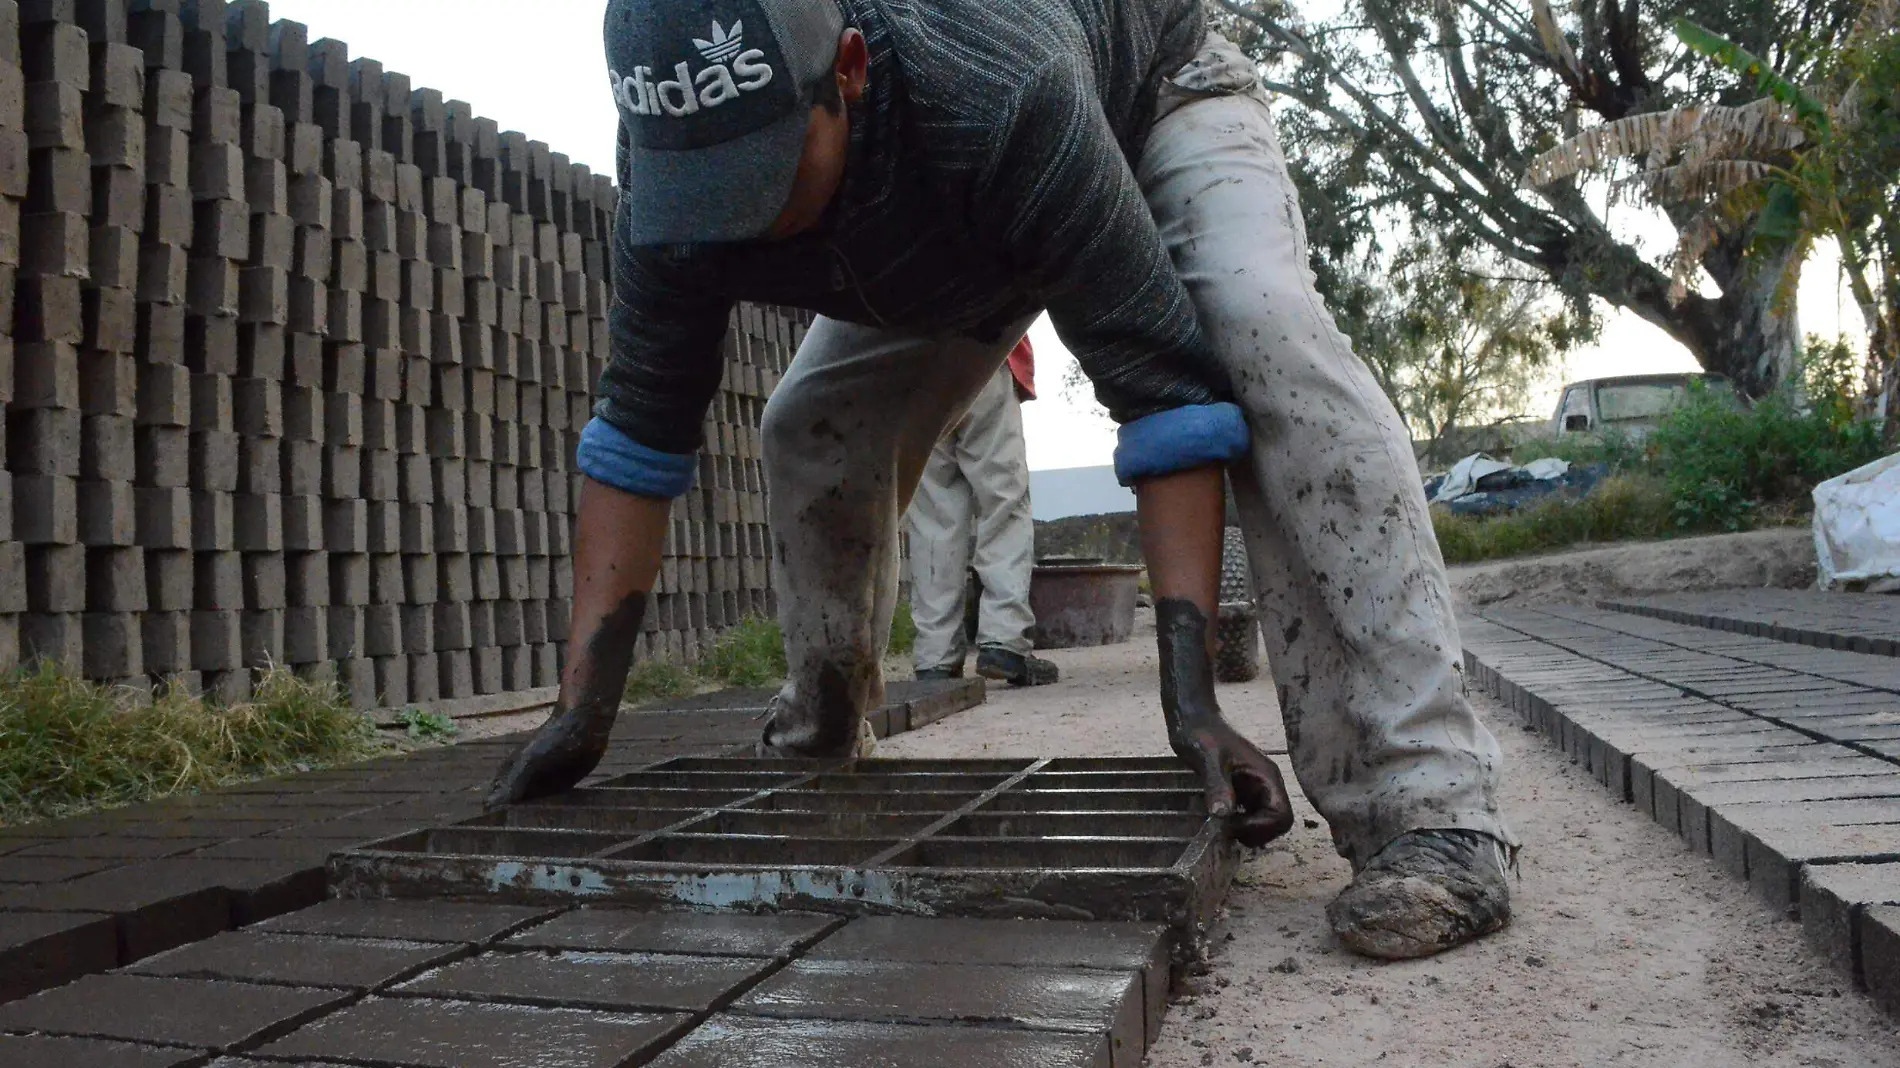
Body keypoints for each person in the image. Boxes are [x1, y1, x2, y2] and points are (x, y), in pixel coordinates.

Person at [487, 0, 1518, 961]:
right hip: (945, 222)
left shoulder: (992, 91)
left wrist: (1191, 706)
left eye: (765, 173)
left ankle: (1430, 810)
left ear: (847, 72)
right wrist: (581, 711)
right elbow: (637, 436)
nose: (736, 221)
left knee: (1260, 329)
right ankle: (817, 741)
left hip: (1146, 95)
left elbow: (1161, 395)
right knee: (809, 424)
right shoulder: (676, 180)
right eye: (706, 189)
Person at [908, 334, 1059, 687]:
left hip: (910, 364)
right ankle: (1004, 641)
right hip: (984, 346)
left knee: (932, 516)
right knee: (1002, 502)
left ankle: (935, 657)